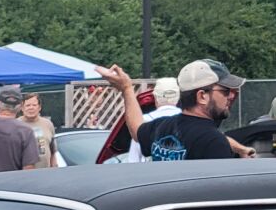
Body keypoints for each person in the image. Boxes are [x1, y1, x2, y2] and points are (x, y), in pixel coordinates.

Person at [103, 60, 245, 161]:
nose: (231, 95)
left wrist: (127, 88)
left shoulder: (162, 126)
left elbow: (136, 130)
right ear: (202, 96)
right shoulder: (214, 142)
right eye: (225, 91)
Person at [19, 92, 57, 169]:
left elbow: (53, 151)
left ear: (39, 107)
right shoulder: (16, 125)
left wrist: (55, 168)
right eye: (28, 105)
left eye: (34, 105)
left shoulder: (48, 124)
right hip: (23, 175)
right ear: (22, 108)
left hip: (46, 173)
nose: (31, 108)